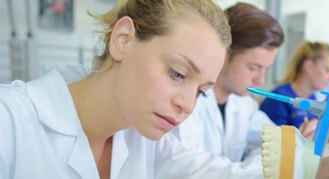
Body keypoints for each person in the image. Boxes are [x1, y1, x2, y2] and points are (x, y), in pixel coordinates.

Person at [154, 3, 329, 178]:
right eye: (254, 67)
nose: (260, 80)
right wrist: (295, 160)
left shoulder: (243, 106)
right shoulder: (186, 105)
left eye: (265, 69)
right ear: (223, 54)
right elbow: (191, 170)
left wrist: (299, 147)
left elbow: (276, 145)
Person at [0, 0, 232, 178]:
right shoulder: (9, 123)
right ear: (123, 40)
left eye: (201, 92)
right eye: (177, 74)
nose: (188, 105)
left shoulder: (143, 136)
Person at [260, 41, 329, 135]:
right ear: (309, 66)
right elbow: (276, 142)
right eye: (328, 70)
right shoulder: (278, 99)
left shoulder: (312, 98)